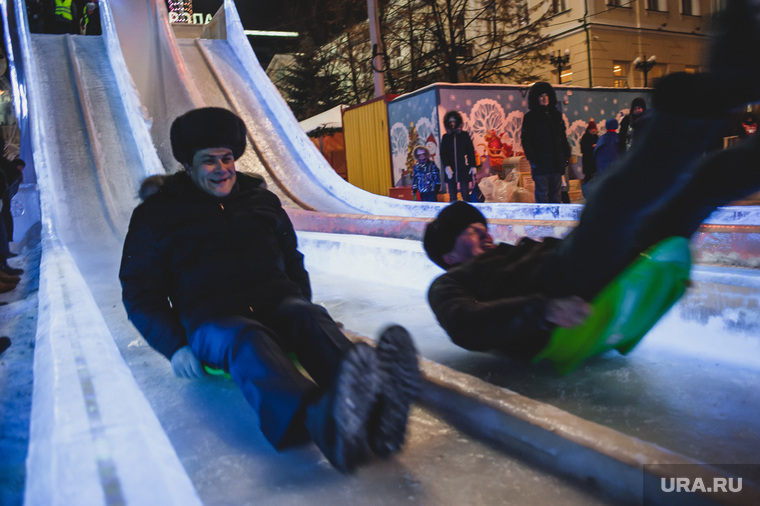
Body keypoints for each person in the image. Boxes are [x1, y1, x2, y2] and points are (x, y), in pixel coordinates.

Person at [421, 0, 760, 359]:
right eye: (472, 232)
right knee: (609, 204)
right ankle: (709, 97)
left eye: (480, 227)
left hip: (599, 268)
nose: (485, 233)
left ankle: (726, 104)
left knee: (702, 186)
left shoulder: (501, 258)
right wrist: (543, 309)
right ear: (447, 253)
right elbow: (464, 323)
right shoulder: (449, 284)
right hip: (563, 285)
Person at [120, 107, 421, 473]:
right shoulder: (158, 215)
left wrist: (304, 303)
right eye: (209, 161)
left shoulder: (260, 201)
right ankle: (321, 423)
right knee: (247, 338)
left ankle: (376, 412)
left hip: (275, 302)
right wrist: (174, 345)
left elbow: (292, 260)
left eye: (227, 158)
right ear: (188, 165)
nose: (222, 169)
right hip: (211, 320)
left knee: (306, 317)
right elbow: (140, 291)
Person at [520, 82, 571, 203]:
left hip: (556, 163)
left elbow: (562, 137)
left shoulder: (556, 115)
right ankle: (544, 220)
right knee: (543, 194)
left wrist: (566, 155)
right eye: (541, 96)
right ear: (536, 99)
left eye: (546, 95)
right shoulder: (530, 117)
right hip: (541, 163)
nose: (544, 99)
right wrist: (533, 159)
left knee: (556, 195)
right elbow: (526, 140)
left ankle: (556, 221)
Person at [440, 111, 476, 202]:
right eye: (450, 122)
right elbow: (443, 153)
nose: (452, 123)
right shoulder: (446, 137)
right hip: (450, 170)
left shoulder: (464, 135)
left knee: (465, 194)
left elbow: (470, 151)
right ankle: (453, 213)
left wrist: (473, 165)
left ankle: (467, 212)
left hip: (463, 168)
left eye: (454, 121)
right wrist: (447, 166)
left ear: (457, 122)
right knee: (452, 196)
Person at [579, 120, 598, 191]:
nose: (594, 131)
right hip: (587, 159)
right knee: (588, 176)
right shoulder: (585, 137)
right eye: (593, 130)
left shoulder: (596, 136)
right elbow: (583, 148)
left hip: (594, 159)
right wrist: (591, 146)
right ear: (589, 130)